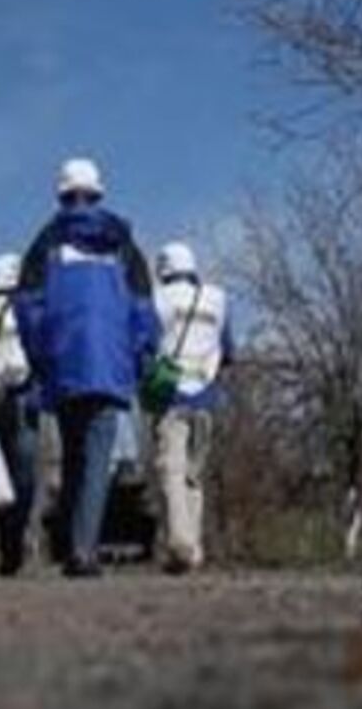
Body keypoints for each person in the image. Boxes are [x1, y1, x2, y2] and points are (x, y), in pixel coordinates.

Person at [15, 158, 159, 578]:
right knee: (96, 458)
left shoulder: (44, 244)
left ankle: (74, 545)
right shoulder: (123, 245)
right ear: (98, 194)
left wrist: (42, 357)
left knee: (75, 454)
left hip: (63, 363)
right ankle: (83, 550)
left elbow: (27, 309)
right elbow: (143, 310)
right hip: (111, 363)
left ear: (62, 196)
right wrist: (137, 354)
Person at [147, 241, 233, 574]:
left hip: (170, 395)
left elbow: (144, 345)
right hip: (207, 397)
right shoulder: (218, 299)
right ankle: (194, 549)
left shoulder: (158, 299)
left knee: (170, 469)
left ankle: (180, 543)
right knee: (194, 476)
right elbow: (228, 351)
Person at [0, 253, 40, 576]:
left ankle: (9, 541)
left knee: (2, 475)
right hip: (22, 395)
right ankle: (15, 534)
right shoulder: (28, 310)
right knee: (24, 474)